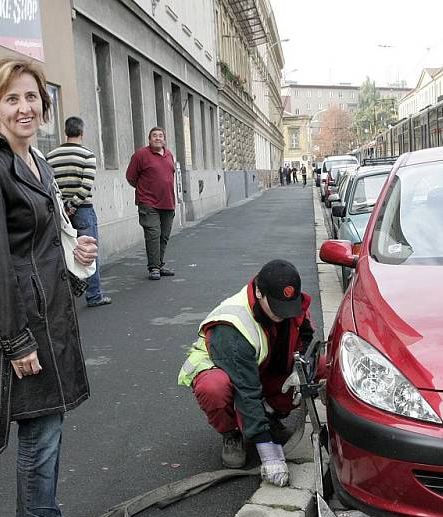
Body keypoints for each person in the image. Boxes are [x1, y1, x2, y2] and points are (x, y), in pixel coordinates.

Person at [0, 57, 97, 517]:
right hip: (21, 327)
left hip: (51, 317)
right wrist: (15, 341)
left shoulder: (36, 161)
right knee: (39, 434)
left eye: (32, 96)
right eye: (12, 98)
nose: (25, 107)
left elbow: (41, 245)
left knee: (48, 427)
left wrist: (76, 256)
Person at [178, 260, 322, 486]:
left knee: (319, 366)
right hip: (226, 370)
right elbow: (246, 390)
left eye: (286, 308)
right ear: (258, 292)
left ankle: (268, 415)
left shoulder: (289, 303)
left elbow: (305, 337)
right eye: (276, 308)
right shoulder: (232, 325)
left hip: (261, 367)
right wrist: (269, 454)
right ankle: (232, 432)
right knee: (214, 388)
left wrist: (301, 366)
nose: (282, 315)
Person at [47, 116, 111, 307]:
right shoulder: (88, 155)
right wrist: (74, 204)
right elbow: (86, 185)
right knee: (89, 252)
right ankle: (94, 295)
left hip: (60, 211)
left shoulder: (51, 156)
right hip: (82, 210)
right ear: (81, 133)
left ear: (66, 132)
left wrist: (64, 206)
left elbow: (49, 185)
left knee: (63, 253)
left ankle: (63, 298)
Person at [126, 127, 177, 280]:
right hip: (148, 203)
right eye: (154, 136)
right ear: (149, 139)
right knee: (153, 234)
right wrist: (144, 190)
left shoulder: (169, 155)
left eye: (160, 136)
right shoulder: (140, 155)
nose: (158, 138)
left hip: (168, 202)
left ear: (164, 139)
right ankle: (153, 267)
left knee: (164, 236)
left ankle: (159, 264)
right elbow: (131, 177)